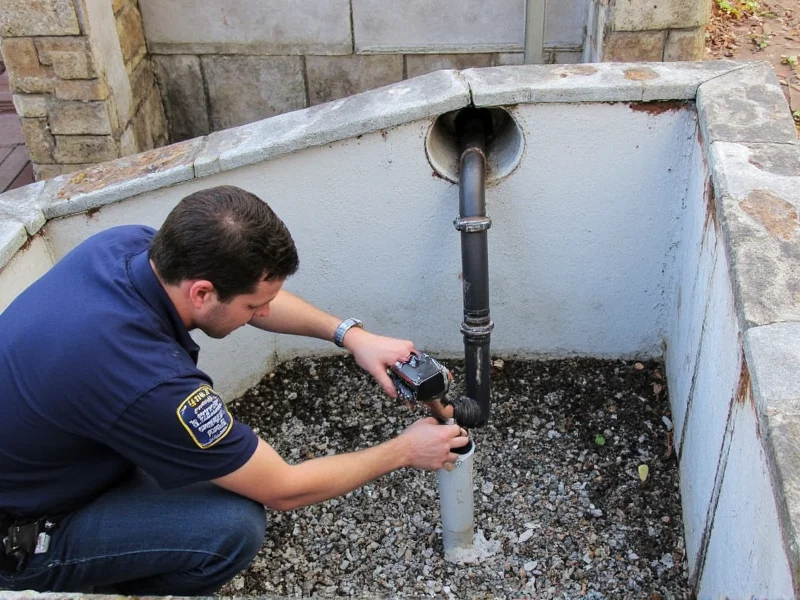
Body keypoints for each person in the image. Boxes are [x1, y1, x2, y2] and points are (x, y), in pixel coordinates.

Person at [0, 185, 467, 596]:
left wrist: (350, 336)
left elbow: (260, 300)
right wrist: (404, 451)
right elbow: (283, 489)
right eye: (251, 306)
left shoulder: (126, 247)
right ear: (202, 293)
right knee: (230, 528)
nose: (260, 314)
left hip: (39, 455)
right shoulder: (153, 383)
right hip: (23, 532)